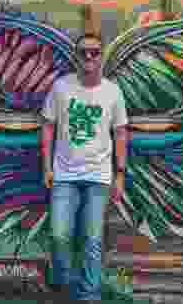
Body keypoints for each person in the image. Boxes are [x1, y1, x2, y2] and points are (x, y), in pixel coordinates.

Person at [41, 32, 130, 302]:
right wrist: (46, 166)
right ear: (75, 57)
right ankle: (65, 289)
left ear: (102, 56)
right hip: (64, 175)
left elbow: (121, 133)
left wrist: (120, 174)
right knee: (59, 236)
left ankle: (89, 296)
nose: (89, 57)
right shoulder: (60, 87)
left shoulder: (113, 91)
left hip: (98, 177)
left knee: (92, 240)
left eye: (94, 52)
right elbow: (47, 126)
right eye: (83, 52)